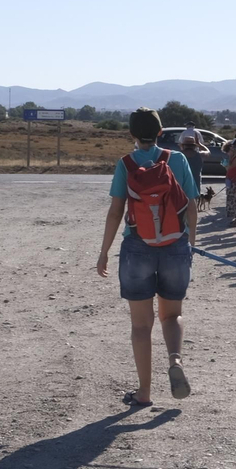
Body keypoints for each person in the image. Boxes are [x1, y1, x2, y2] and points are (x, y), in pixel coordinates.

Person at [94, 107, 201, 407]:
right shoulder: (177, 159)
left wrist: (103, 252)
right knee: (172, 314)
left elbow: (116, 211)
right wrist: (189, 243)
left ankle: (144, 393)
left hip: (137, 247)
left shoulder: (126, 164)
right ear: (159, 132)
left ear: (131, 133)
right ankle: (176, 360)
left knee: (141, 325)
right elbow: (191, 207)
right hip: (175, 247)